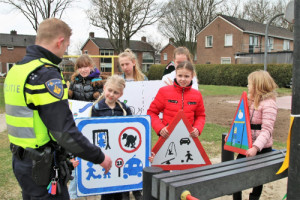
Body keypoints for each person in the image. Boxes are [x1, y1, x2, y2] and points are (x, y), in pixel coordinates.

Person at [4, 18, 112, 200]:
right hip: (41, 165)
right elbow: (63, 131)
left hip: (21, 160)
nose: (64, 51)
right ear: (60, 41)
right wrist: (99, 156)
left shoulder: (17, 70)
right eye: (67, 45)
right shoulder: (45, 74)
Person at [233, 70, 278, 200]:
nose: (248, 86)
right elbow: (241, 121)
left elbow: (267, 130)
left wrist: (256, 147)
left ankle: (254, 198)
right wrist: (233, 136)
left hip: (261, 148)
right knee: (236, 173)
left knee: (258, 178)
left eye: (250, 84)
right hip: (246, 145)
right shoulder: (250, 101)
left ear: (258, 86)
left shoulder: (269, 104)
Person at [91, 75, 133, 200]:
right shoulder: (96, 108)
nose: (111, 94)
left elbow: (132, 127)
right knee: (107, 186)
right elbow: (91, 130)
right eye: (109, 90)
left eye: (116, 92)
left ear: (120, 94)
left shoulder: (124, 109)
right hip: (105, 151)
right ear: (104, 88)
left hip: (120, 151)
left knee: (120, 185)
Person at [147, 60, 205, 140]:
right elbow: (151, 112)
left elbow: (200, 116)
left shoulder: (197, 95)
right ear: (175, 75)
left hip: (188, 138)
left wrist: (197, 129)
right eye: (180, 76)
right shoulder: (164, 91)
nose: (183, 79)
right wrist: (160, 128)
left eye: (186, 76)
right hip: (167, 137)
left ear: (192, 76)